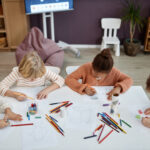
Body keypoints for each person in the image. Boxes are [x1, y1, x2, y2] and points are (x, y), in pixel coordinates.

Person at [65, 49, 133, 100]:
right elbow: (69, 79)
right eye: (95, 71)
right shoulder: (86, 67)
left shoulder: (114, 72)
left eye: (100, 74)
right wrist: (83, 88)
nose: (96, 75)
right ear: (92, 64)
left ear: (108, 72)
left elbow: (129, 80)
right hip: (87, 102)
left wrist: (119, 88)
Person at [0, 51, 64, 100]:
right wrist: (14, 95)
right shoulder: (17, 72)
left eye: (36, 77)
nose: (33, 80)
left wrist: (47, 90)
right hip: (22, 98)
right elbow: (1, 86)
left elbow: (61, 80)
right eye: (29, 77)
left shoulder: (44, 71)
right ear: (23, 71)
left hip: (39, 97)